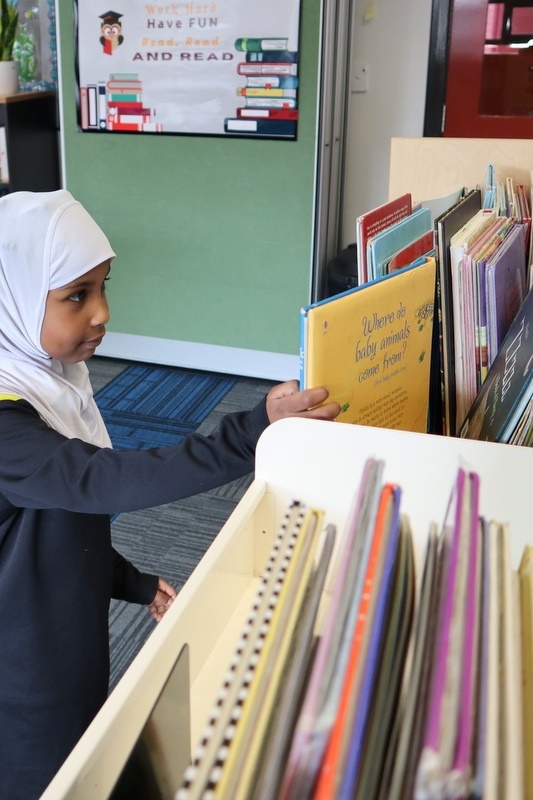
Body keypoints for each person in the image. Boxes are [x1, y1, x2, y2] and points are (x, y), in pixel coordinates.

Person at [0, 189, 340, 799]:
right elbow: (97, 480)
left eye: (104, 286)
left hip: (65, 640)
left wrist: (127, 581)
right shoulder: (4, 421)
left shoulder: (51, 384)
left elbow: (53, 521)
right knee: (51, 778)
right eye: (76, 296)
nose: (102, 312)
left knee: (86, 750)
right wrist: (250, 430)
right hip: (21, 679)